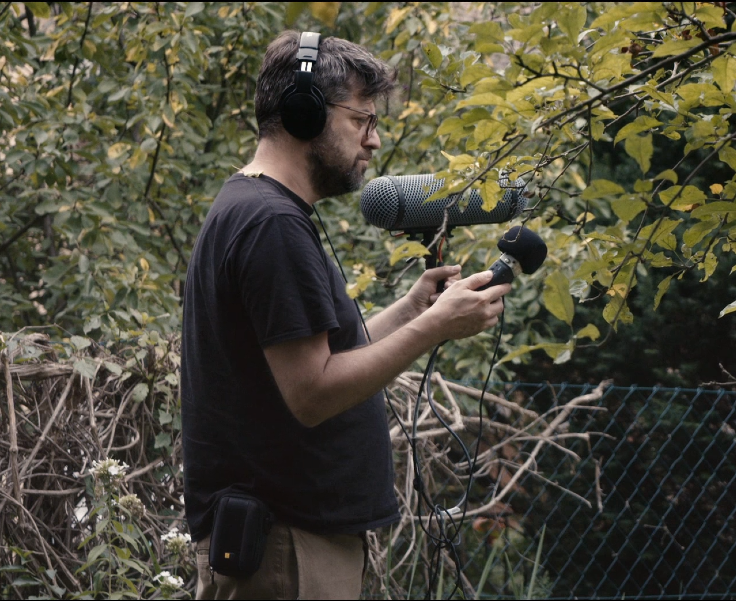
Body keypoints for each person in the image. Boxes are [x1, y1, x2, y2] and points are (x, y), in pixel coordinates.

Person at [180, 31, 509, 600]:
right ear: (304, 112)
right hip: (284, 551)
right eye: (362, 120)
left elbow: (313, 362)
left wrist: (411, 312)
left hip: (287, 543)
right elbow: (313, 393)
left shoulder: (254, 209)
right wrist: (436, 326)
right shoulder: (271, 225)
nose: (374, 140)